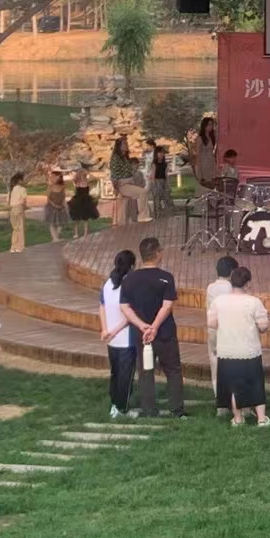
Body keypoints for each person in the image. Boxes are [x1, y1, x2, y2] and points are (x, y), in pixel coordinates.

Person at [119, 236, 185, 418]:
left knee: (145, 371)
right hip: (164, 333)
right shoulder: (166, 278)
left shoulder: (129, 279)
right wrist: (154, 327)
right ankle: (177, 410)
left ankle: (149, 409)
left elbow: (124, 307)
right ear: (157, 253)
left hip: (141, 335)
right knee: (173, 370)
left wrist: (142, 326)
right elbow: (167, 305)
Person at [210, 266, 270, 427]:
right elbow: (263, 327)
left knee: (232, 386)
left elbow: (212, 323)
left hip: (227, 350)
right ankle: (261, 419)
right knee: (255, 383)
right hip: (249, 350)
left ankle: (238, 418)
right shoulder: (253, 302)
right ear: (248, 283)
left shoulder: (219, 301)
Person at [99, 250, 138, 419]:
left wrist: (105, 330)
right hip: (126, 339)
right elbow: (130, 315)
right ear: (132, 266)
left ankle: (115, 405)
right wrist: (114, 331)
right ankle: (122, 409)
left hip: (111, 339)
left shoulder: (108, 283)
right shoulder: (130, 286)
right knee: (125, 376)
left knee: (115, 373)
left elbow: (101, 306)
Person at [205, 256, 238, 402]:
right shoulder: (232, 289)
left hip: (213, 330)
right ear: (232, 272)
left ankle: (220, 401)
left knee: (215, 364)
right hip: (229, 331)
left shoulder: (210, 288)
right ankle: (235, 399)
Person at [110, 137, 148, 224]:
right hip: (123, 184)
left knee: (137, 198)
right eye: (124, 144)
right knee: (142, 192)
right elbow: (114, 174)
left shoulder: (125, 157)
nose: (126, 145)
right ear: (119, 146)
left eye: (126, 143)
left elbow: (129, 171)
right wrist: (116, 187)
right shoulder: (116, 158)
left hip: (130, 182)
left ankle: (135, 218)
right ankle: (142, 216)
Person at [69, 164, 99, 237]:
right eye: (81, 174)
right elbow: (73, 179)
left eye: (83, 174)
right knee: (77, 219)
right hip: (79, 201)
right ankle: (77, 233)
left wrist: (87, 173)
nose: (82, 175)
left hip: (85, 201)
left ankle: (84, 233)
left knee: (85, 219)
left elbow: (94, 177)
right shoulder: (77, 183)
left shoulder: (86, 181)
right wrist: (78, 174)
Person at [193, 116, 219, 187]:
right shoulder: (200, 138)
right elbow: (198, 154)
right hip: (204, 164)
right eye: (209, 124)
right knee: (206, 184)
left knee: (214, 183)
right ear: (204, 126)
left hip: (212, 163)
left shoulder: (212, 137)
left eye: (212, 125)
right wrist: (199, 170)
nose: (211, 127)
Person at [44, 169, 68, 241]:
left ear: (59, 177)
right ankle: (55, 238)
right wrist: (55, 205)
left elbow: (63, 197)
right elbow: (48, 199)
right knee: (51, 223)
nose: (52, 178)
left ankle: (55, 237)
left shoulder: (63, 186)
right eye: (51, 176)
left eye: (54, 176)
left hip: (60, 207)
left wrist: (63, 206)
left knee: (61, 223)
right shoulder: (50, 187)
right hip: (51, 207)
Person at [7, 172, 28, 253]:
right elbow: (23, 201)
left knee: (15, 229)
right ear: (19, 180)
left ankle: (13, 246)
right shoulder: (22, 189)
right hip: (19, 208)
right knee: (20, 228)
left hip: (12, 209)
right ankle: (20, 246)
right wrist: (25, 207)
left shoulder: (11, 190)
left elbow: (8, 202)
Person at [151, 143, 173, 217]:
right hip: (156, 182)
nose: (161, 154)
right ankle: (157, 213)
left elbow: (166, 175)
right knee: (157, 198)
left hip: (163, 181)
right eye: (159, 153)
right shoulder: (154, 164)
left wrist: (168, 184)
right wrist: (154, 184)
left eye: (163, 153)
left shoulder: (165, 164)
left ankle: (169, 211)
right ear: (156, 154)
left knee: (167, 196)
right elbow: (153, 175)